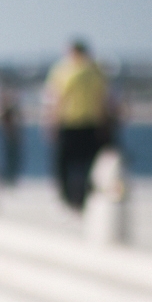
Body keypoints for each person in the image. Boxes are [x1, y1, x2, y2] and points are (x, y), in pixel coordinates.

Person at [45, 40, 109, 210]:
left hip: (69, 122)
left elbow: (57, 98)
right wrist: (103, 124)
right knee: (87, 163)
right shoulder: (95, 72)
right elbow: (101, 100)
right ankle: (83, 197)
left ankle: (67, 198)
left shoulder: (64, 70)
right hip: (91, 123)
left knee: (63, 164)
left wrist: (52, 122)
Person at [0, 84, 23, 186]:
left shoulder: (10, 108)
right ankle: (7, 178)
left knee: (12, 158)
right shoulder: (5, 108)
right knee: (7, 158)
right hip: (7, 135)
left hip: (11, 135)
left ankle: (10, 178)